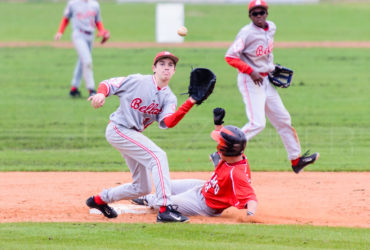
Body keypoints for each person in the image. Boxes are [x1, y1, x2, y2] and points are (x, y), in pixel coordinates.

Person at [85, 51, 200, 223]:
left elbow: (167, 122)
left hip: (131, 134)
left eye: (170, 65)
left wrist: (189, 103)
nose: (166, 68)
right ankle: (164, 208)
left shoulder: (169, 97)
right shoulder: (138, 81)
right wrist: (101, 94)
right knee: (158, 156)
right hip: (118, 129)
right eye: (162, 64)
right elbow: (109, 84)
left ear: (174, 71)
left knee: (143, 187)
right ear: (154, 68)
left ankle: (99, 200)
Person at [225, 0, 319, 173]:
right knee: (257, 123)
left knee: (283, 119)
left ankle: (296, 160)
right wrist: (251, 70)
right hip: (250, 81)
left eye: (262, 12)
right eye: (255, 13)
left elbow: (264, 54)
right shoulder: (246, 33)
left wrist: (271, 67)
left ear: (267, 13)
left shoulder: (272, 28)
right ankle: (224, 151)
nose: (259, 16)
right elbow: (230, 57)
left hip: (266, 80)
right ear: (249, 16)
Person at [132, 108, 258, 218]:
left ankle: (148, 200)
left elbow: (251, 198)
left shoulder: (237, 174)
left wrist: (250, 216)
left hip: (204, 206)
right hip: (204, 188)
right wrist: (218, 125)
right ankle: (151, 198)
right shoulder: (235, 156)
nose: (218, 148)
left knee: (162, 203)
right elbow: (225, 141)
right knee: (166, 185)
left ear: (227, 150)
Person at [54, 0, 110, 97]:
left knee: (82, 61)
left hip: (90, 36)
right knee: (87, 61)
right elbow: (66, 18)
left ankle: (74, 89)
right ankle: (91, 90)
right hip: (78, 35)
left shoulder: (95, 4)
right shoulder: (73, 3)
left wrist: (102, 31)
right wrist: (60, 32)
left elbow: (98, 20)